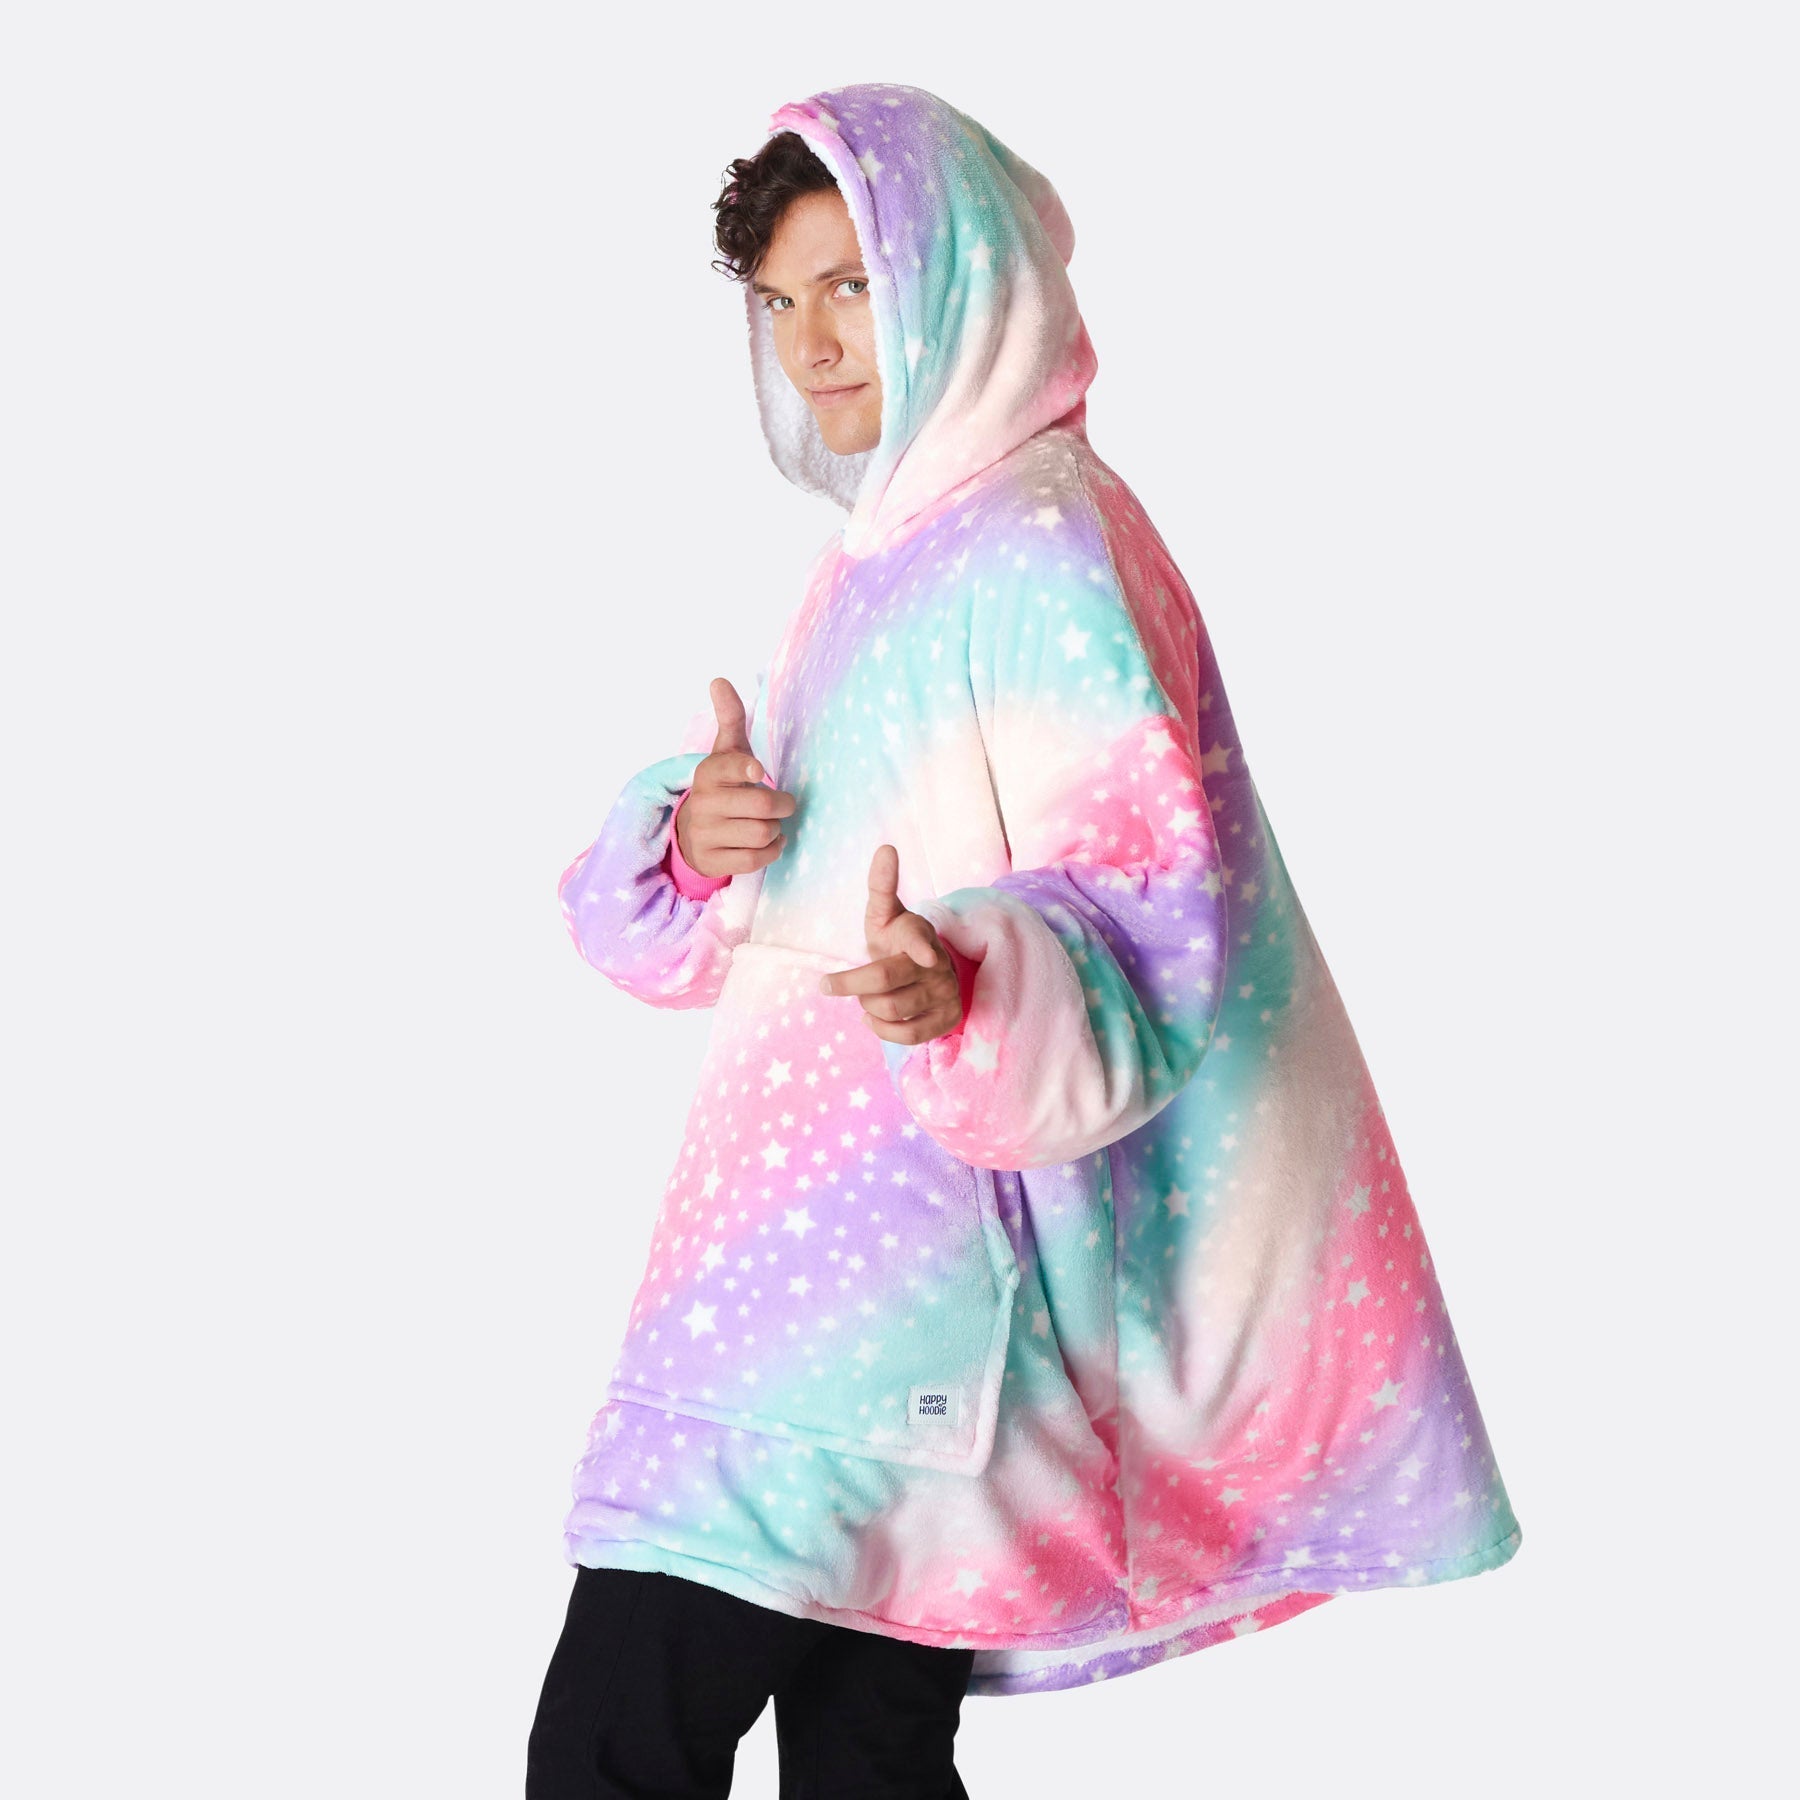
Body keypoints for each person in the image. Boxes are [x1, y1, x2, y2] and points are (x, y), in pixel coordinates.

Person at [527, 82, 1522, 1798]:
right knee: (862, 1750)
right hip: (814, 1254)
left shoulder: (1046, 540)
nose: (812, 342)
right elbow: (774, 907)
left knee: (627, 1734)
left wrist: (967, 981)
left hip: (908, 1286)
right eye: (781, 300)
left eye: (852, 286)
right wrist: (702, 837)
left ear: (957, 278)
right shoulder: (878, 556)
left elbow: (1143, 897)